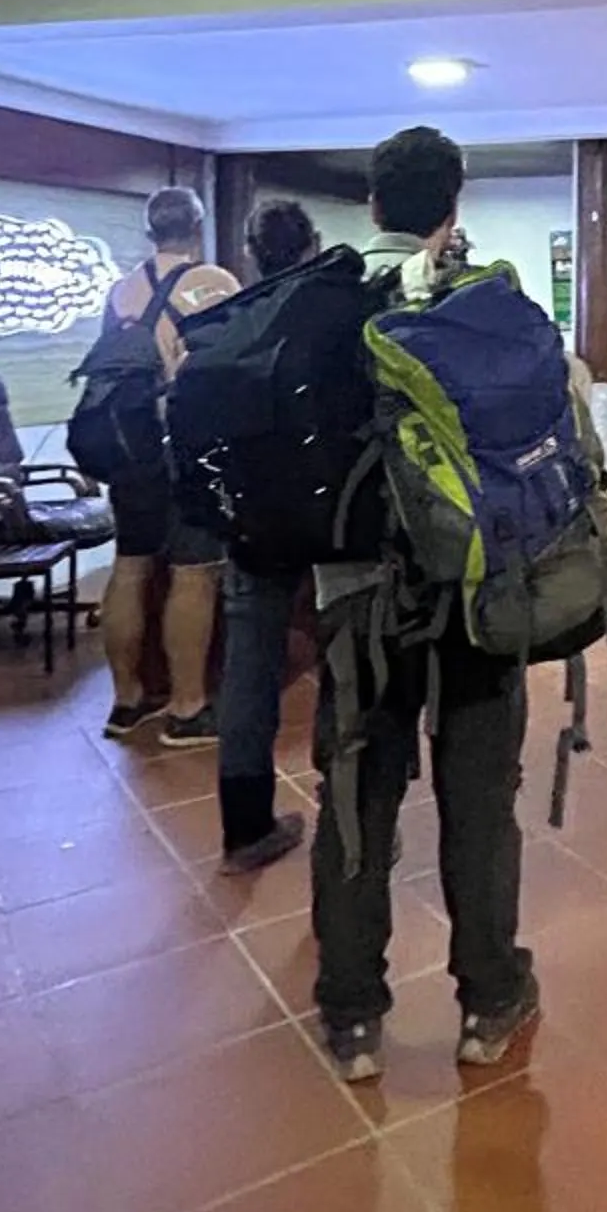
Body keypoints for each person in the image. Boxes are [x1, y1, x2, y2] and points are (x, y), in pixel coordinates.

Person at [311, 127, 536, 1083]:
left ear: (371, 205)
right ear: (456, 203)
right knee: (479, 797)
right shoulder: (486, 300)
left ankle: (354, 1016)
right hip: (476, 590)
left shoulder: (322, 307)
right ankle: (489, 1002)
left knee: (357, 797)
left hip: (357, 596)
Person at [100, 187, 239, 748]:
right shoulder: (216, 284)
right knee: (193, 573)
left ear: (149, 230)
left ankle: (127, 701)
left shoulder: (121, 288)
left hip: (129, 446)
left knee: (130, 567)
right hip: (186, 443)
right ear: (197, 228)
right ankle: (187, 708)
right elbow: (230, 369)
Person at [214, 196, 324, 875]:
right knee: (344, 658)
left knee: (248, 671)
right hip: (330, 516)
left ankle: (245, 827)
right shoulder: (332, 315)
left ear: (252, 255)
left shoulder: (226, 324)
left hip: (250, 519)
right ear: (311, 248)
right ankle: (347, 814)